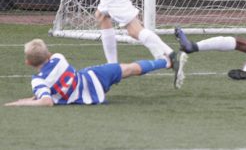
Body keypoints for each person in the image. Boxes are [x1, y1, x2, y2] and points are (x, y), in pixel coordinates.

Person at [5, 39, 182, 106]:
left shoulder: (38, 81)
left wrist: (22, 102)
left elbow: (46, 100)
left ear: (28, 63)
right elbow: (47, 98)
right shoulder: (58, 57)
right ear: (48, 54)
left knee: (127, 69)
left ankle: (166, 61)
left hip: (89, 97)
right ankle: (166, 62)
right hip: (93, 77)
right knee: (129, 69)